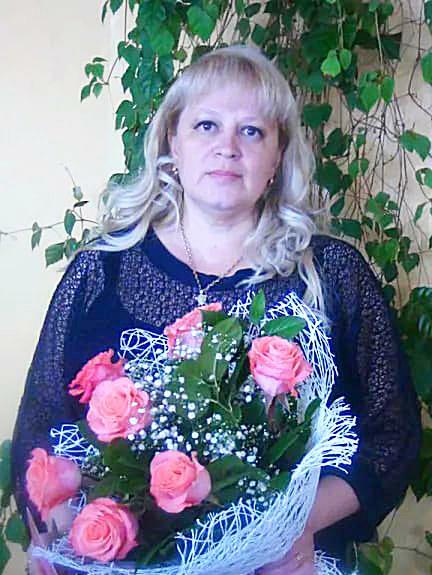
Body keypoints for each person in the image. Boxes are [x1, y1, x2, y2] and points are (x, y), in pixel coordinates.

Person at [12, 45, 420, 575]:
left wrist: (294, 528)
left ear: (277, 158)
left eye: (252, 131)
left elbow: (391, 437)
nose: (227, 147)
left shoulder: (333, 276)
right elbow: (41, 427)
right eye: (206, 125)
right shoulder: (100, 271)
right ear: (172, 143)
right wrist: (64, 538)